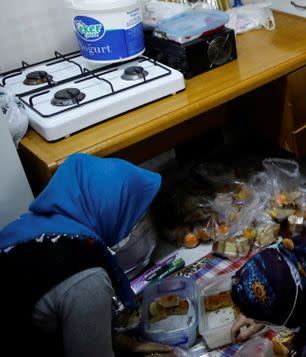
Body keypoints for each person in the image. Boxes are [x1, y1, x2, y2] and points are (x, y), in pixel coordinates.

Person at [0, 153, 175, 357]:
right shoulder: (86, 279)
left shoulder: (23, 230)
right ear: (110, 208)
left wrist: (111, 340)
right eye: (133, 213)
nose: (139, 224)